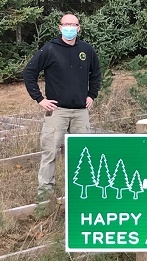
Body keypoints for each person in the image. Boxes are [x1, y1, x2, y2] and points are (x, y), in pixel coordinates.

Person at [23, 14, 101, 199]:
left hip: (81, 113)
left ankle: (77, 193)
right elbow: (29, 72)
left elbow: (96, 74)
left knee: (82, 154)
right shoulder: (50, 49)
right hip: (57, 112)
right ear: (60, 28)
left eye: (73, 25)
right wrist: (40, 99)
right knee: (50, 152)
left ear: (79, 28)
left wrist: (92, 95)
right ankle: (44, 195)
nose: (69, 28)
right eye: (66, 24)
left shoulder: (86, 50)